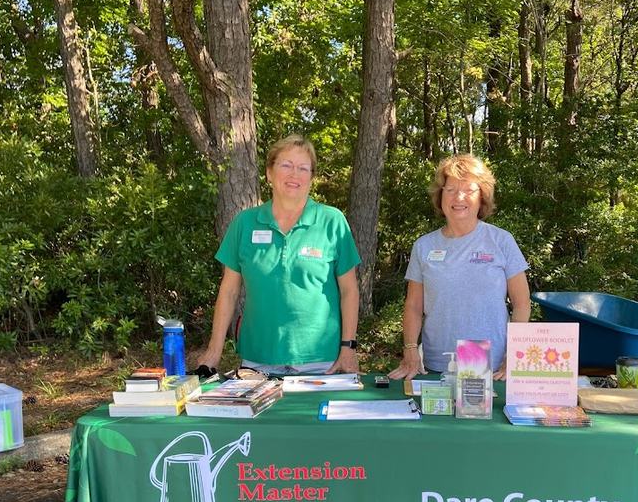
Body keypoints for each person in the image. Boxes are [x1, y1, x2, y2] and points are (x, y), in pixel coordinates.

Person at [197, 135, 361, 375]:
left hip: (321, 360)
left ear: (311, 178)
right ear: (269, 173)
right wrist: (214, 351)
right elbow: (229, 291)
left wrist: (349, 348)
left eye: (303, 168)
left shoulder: (332, 221)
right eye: (286, 165)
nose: (294, 175)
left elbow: (349, 290)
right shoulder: (245, 223)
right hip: (258, 359)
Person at [388, 154, 530, 381]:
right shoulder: (424, 246)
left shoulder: (501, 241)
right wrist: (410, 348)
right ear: (440, 195)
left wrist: (514, 354)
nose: (459, 197)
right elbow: (414, 305)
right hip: (437, 366)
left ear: (482, 196)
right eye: (451, 189)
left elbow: (522, 303)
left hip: (492, 369)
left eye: (469, 190)